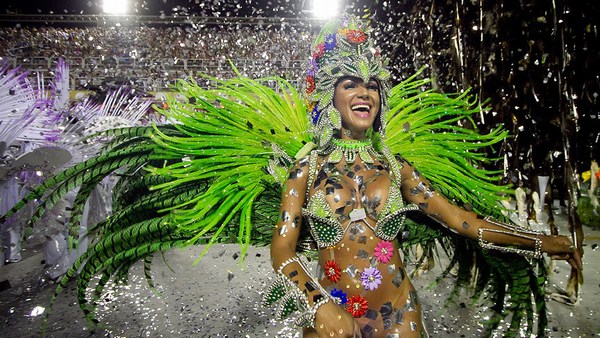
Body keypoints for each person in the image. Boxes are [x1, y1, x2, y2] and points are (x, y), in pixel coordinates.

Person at [268, 14, 581, 338]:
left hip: (401, 317)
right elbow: (281, 250)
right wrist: (319, 304)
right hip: (331, 319)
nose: (365, 93)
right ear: (329, 98)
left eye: (372, 86)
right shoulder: (308, 168)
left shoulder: (395, 166)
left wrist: (538, 242)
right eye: (350, 85)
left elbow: (462, 221)